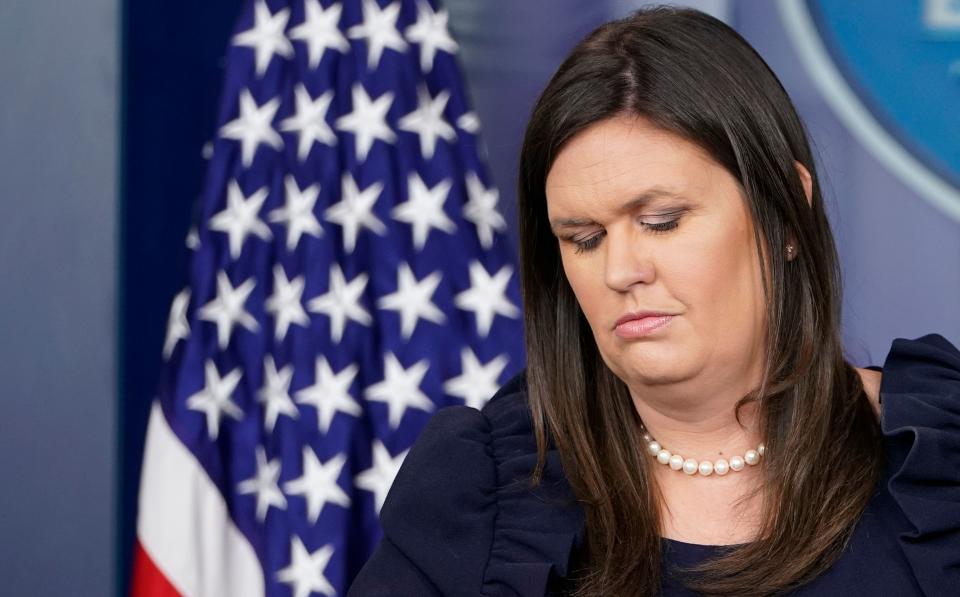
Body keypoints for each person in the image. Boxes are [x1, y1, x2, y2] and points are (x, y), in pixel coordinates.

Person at [349, 7, 960, 596]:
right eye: (583, 239)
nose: (620, 270)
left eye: (662, 221)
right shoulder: (483, 491)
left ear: (787, 216)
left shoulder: (940, 463)